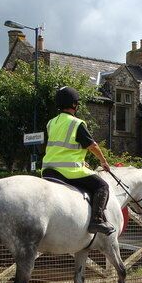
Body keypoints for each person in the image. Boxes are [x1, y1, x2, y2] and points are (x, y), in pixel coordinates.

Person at [42, 86, 115, 235]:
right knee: (102, 186)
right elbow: (92, 146)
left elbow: (62, 149)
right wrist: (103, 162)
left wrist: (82, 161)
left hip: (48, 170)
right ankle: (97, 220)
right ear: (74, 104)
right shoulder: (76, 123)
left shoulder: (51, 123)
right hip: (68, 171)